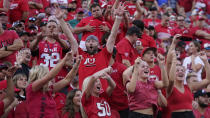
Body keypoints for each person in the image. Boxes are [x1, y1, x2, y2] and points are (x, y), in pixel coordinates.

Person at [58, 3, 125, 89]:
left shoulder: (104, 54)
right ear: (84, 44)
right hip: (85, 96)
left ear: (98, 44)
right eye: (88, 41)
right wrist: (60, 19)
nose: (90, 43)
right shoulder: (81, 54)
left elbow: (112, 36)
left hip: (101, 95)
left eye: (93, 41)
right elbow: (71, 38)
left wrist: (118, 18)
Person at [166, 34, 210, 118]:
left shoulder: (189, 87)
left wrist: (205, 61)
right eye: (177, 70)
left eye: (182, 70)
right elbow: (168, 62)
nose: (181, 72)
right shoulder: (170, 86)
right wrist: (174, 44)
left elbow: (208, 79)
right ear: (173, 72)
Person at [26, 52, 81, 118]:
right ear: (39, 75)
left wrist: (76, 65)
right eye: (46, 73)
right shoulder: (32, 88)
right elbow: (50, 76)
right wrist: (64, 60)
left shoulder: (48, 90)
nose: (48, 74)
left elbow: (67, 80)